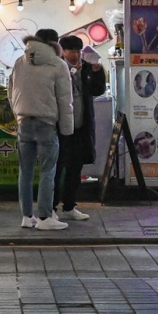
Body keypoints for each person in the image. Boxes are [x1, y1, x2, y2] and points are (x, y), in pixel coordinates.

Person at [9, 28, 74, 230]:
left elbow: (11, 91)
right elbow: (65, 100)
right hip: (46, 123)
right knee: (48, 171)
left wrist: (19, 114)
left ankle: (27, 217)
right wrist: (67, 129)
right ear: (55, 43)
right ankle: (45, 217)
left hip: (23, 122)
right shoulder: (58, 64)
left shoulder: (20, 61)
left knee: (25, 172)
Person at [55, 34, 107, 222]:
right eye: (71, 52)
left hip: (80, 126)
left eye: (78, 52)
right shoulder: (57, 67)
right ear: (62, 51)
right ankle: (51, 208)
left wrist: (98, 71)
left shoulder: (86, 67)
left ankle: (70, 206)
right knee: (57, 168)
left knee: (75, 169)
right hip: (60, 127)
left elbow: (97, 90)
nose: (76, 56)